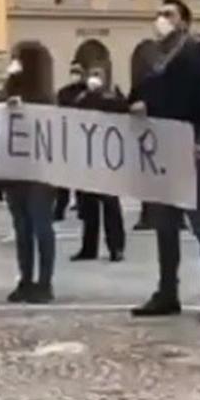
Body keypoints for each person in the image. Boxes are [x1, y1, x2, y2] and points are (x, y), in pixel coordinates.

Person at [128, 0, 200, 324]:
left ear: (183, 21)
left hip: (190, 145)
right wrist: (137, 104)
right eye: (158, 14)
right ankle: (167, 292)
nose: (161, 19)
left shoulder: (199, 52)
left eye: (168, 14)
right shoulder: (149, 56)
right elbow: (136, 93)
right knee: (164, 223)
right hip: (161, 149)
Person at [0, 51, 57, 304]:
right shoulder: (7, 93)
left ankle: (44, 282)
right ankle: (25, 279)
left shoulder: (44, 98)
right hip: (15, 170)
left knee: (40, 226)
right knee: (21, 228)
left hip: (39, 173)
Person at [69, 67, 128, 263]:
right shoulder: (81, 99)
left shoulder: (112, 99)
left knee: (110, 205)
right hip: (87, 159)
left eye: (98, 76)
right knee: (88, 208)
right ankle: (89, 248)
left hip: (107, 159)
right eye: (92, 76)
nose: (94, 80)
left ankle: (116, 247)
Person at [52, 63, 86, 221]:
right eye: (73, 72)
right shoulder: (63, 93)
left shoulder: (87, 92)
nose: (75, 75)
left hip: (83, 137)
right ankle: (59, 209)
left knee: (81, 177)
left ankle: (82, 207)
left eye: (78, 72)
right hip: (67, 136)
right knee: (63, 177)